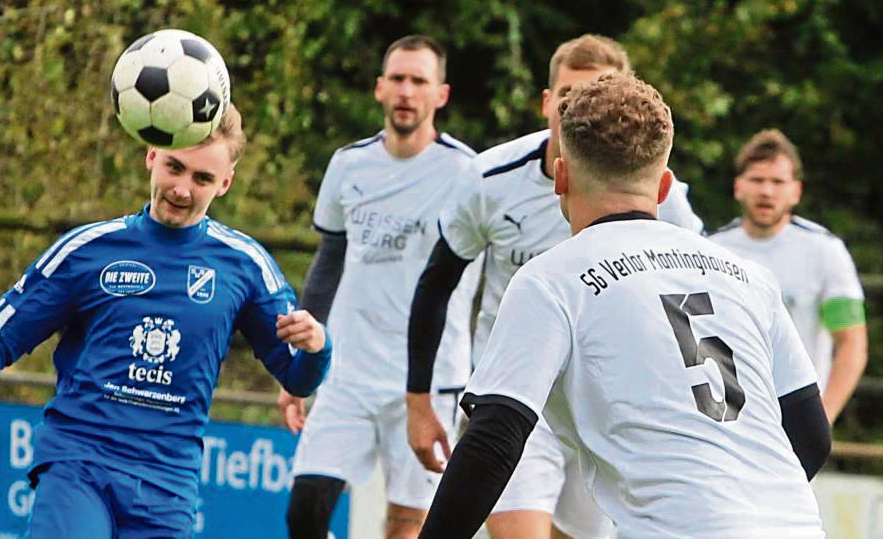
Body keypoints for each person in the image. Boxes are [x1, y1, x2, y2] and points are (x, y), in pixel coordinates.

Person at [419, 72, 831, 538]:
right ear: (663, 187)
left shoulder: (553, 278)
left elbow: (493, 440)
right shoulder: (748, 276)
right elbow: (813, 435)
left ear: (561, 176)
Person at [0, 104, 333, 538]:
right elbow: (3, 336)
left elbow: (297, 378)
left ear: (225, 184)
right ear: (151, 156)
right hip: (79, 463)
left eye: (201, 178)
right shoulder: (89, 249)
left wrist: (317, 347)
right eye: (174, 167)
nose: (182, 188)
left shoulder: (245, 266)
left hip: (168, 484)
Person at [406, 34, 703, 539]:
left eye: (598, 97)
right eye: (568, 97)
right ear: (547, 101)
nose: (581, 111)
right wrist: (419, 402)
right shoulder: (490, 179)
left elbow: (693, 298)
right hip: (518, 398)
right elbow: (436, 286)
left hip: (606, 402)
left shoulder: (659, 193)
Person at [280, 35, 480, 539]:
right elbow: (329, 263)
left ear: (441, 95)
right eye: (397, 79)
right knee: (304, 513)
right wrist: (298, 370)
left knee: (406, 524)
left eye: (419, 81)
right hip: (347, 371)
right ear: (379, 88)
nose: (406, 91)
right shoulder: (348, 164)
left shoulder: (469, 174)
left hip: (429, 382)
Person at [709, 129, 867, 425]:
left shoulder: (825, 251)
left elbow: (851, 343)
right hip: (730, 421)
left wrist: (824, 416)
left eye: (778, 182)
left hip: (796, 419)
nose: (767, 191)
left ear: (796, 191)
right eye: (757, 180)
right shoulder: (710, 249)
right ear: (738, 187)